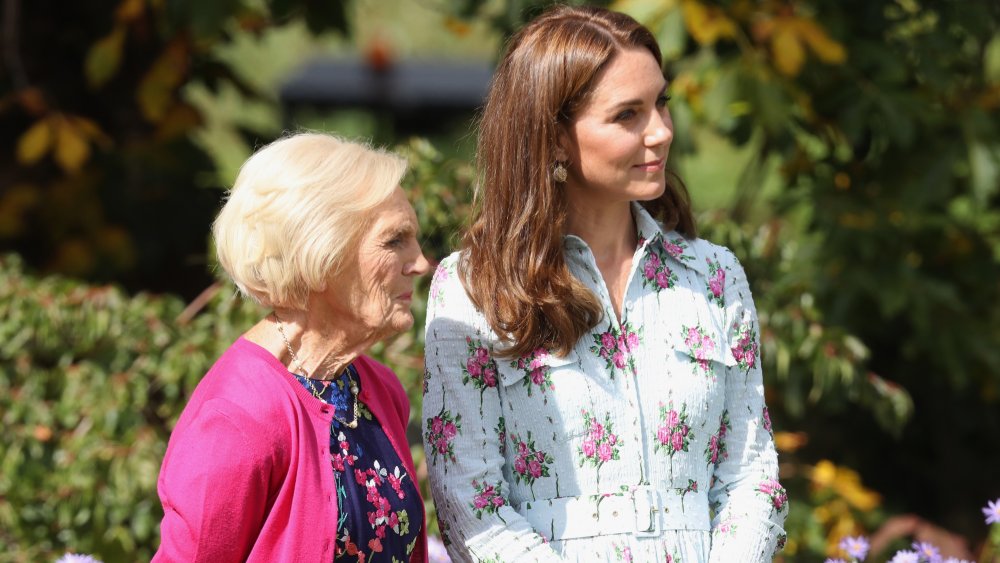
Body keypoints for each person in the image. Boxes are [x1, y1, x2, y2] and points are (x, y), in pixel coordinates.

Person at [422, 6, 787, 562]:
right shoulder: (472, 289)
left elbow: (751, 478)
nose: (661, 131)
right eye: (627, 115)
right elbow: (470, 505)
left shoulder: (714, 277)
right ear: (556, 138)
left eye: (661, 102)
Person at [154, 133, 430, 562]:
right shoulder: (236, 419)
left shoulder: (378, 390)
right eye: (394, 240)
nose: (421, 263)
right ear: (322, 251)